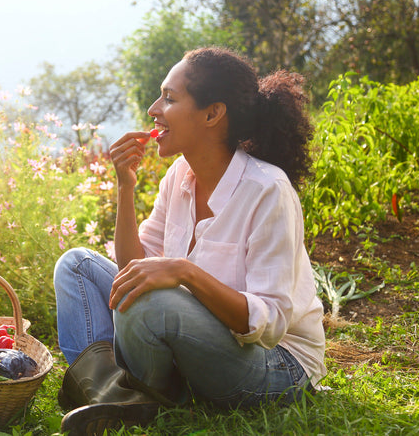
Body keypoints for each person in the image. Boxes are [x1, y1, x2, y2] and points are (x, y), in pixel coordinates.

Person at [53, 47, 327, 435]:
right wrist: (125, 189)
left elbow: (271, 325)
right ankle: (117, 397)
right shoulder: (179, 175)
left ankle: (133, 394)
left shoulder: (268, 191)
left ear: (213, 114)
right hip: (196, 343)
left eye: (169, 98)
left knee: (150, 300)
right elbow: (132, 269)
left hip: (274, 364)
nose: (153, 109)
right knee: (76, 265)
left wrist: (184, 272)